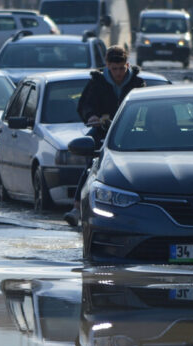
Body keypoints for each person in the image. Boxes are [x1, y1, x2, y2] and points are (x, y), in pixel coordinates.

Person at [63, 45, 145, 227]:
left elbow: (146, 110)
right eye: (113, 69)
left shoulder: (137, 84)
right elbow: (84, 105)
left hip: (131, 133)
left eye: (121, 68)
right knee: (90, 165)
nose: (118, 73)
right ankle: (77, 208)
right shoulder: (97, 82)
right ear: (107, 66)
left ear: (128, 65)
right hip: (102, 130)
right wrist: (91, 116)